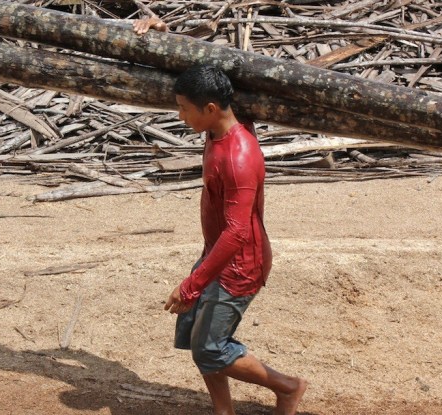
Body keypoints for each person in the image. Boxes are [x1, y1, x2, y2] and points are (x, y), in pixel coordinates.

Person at [134, 18, 308, 415]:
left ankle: (287, 387)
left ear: (210, 109)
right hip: (217, 253)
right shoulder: (218, 127)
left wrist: (191, 284)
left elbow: (237, 232)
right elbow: (207, 68)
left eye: (184, 109)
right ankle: (222, 411)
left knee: (210, 348)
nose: (181, 117)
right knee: (196, 335)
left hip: (239, 265)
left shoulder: (238, 157)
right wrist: (162, 36)